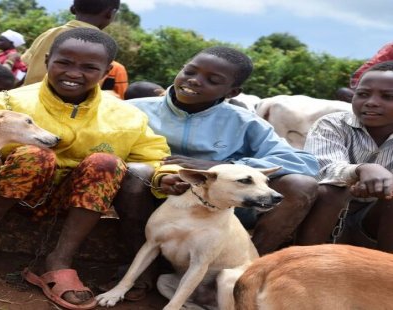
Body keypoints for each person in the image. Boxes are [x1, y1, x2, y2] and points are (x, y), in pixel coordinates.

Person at [0, 28, 169, 309]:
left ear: (106, 73)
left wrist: (167, 177)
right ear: (47, 61)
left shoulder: (127, 116)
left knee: (106, 163)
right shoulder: (7, 104)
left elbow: (155, 159)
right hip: (7, 197)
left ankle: (59, 261)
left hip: (77, 207)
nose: (74, 73)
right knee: (35, 155)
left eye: (89, 67)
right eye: (64, 62)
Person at [120, 47, 319, 294]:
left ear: (232, 92)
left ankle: (245, 272)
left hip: (223, 208)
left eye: (212, 80)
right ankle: (142, 274)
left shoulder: (244, 121)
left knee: (301, 185)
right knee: (135, 170)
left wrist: (221, 168)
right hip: (156, 199)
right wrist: (160, 176)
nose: (194, 80)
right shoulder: (134, 109)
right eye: (189, 71)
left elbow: (305, 162)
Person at [297, 61, 393, 253]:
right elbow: (322, 168)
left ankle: (386, 272)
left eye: (388, 96)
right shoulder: (333, 124)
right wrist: (362, 170)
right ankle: (304, 260)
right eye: (363, 94)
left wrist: (382, 186)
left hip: (375, 221)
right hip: (324, 214)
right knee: (331, 191)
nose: (371, 102)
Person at [21, 0, 120, 86]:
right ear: (111, 13)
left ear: (73, 8)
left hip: (29, 99)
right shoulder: (99, 45)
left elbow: (26, 65)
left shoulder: (48, 34)